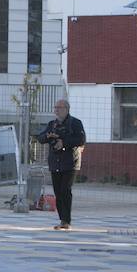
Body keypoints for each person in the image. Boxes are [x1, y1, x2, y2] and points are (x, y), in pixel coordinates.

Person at [36, 99, 86, 231]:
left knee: (65, 190)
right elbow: (40, 138)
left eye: (59, 107)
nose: (56, 110)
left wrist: (63, 142)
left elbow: (81, 140)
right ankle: (62, 220)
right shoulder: (52, 124)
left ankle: (66, 220)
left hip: (70, 162)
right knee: (58, 192)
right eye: (55, 107)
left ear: (66, 109)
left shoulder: (75, 123)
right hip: (55, 162)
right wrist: (48, 136)